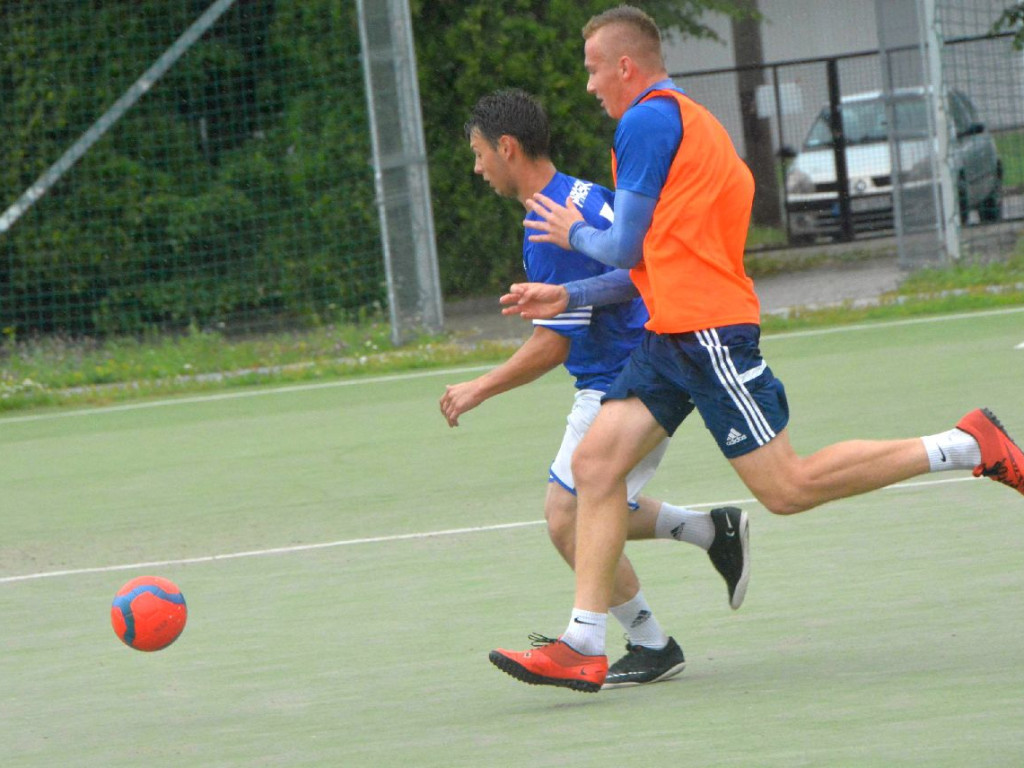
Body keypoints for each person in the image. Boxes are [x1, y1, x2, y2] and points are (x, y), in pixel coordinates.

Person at [488, 5, 1024, 693]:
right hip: (670, 333)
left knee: (788, 488)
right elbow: (646, 261)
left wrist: (572, 235)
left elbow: (621, 243)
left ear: (626, 66)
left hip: (707, 332)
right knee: (595, 466)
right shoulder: (687, 125)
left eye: (593, 69)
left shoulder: (648, 120)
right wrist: (570, 297)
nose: (589, 85)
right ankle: (584, 642)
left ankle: (967, 444)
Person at [442, 88, 750, 688]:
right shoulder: (580, 193)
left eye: (480, 154)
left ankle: (645, 641)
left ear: (507, 148)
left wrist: (479, 387)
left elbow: (553, 343)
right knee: (588, 508)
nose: (476, 168)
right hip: (642, 367)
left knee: (567, 517)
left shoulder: (546, 224)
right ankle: (709, 534)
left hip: (627, 378)